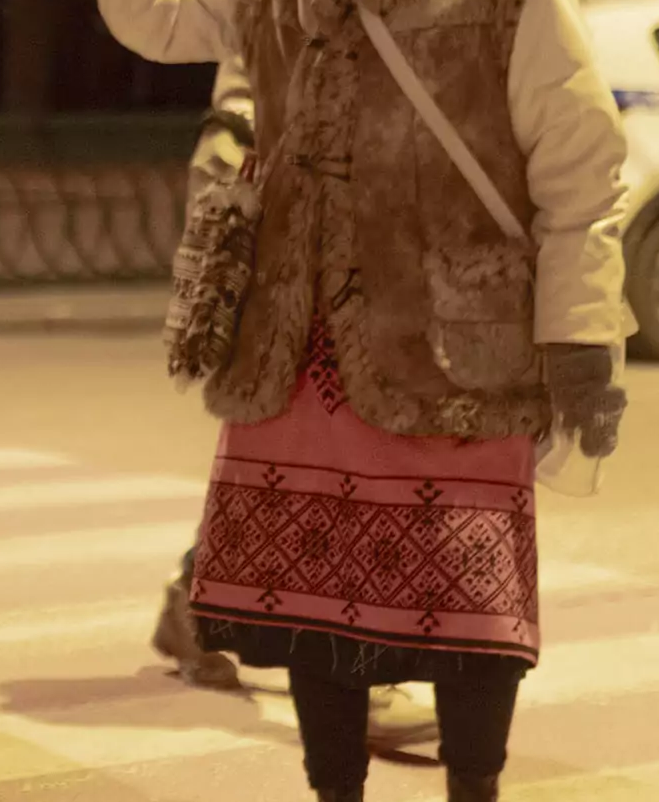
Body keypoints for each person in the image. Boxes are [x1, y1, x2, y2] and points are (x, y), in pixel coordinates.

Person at [88, 0, 628, 802]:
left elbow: (581, 162)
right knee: (323, 618)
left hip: (459, 339)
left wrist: (585, 336)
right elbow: (145, 13)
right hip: (308, 341)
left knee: (474, 617)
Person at [147, 61, 443, 752]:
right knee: (339, 456)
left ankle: (196, 596)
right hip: (298, 227)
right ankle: (362, 669)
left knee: (322, 459)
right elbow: (244, 83)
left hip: (381, 229)